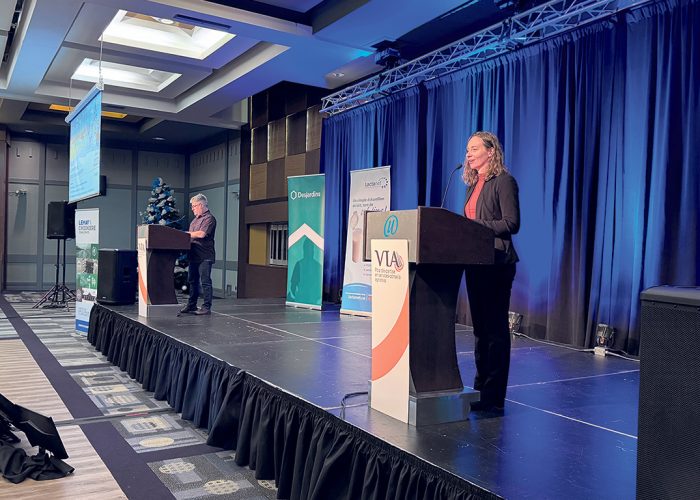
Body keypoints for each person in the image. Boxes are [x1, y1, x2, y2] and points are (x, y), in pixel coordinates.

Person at [462, 131, 520, 414]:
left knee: (495, 332)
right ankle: (481, 386)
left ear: (491, 151)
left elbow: (511, 223)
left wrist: (476, 226)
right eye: (468, 150)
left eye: (474, 149)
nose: (469, 154)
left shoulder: (504, 182)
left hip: (497, 265)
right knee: (480, 331)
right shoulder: (473, 184)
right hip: (474, 264)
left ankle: (494, 398)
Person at [181, 194, 217, 316]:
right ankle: (191, 305)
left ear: (201, 205)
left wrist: (185, 234)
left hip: (205, 256)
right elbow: (191, 237)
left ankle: (206, 307)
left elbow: (201, 234)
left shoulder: (209, 219)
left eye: (194, 206)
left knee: (205, 281)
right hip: (194, 256)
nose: (193, 209)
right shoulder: (194, 220)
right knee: (192, 281)